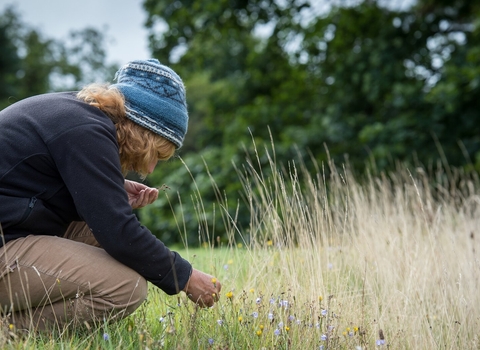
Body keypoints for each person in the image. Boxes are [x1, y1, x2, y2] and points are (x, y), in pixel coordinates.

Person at [0, 58, 221, 332]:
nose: (150, 168)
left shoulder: (79, 116)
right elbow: (118, 232)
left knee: (97, 234)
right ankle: (7, 331)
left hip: (9, 234)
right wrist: (185, 277)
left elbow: (24, 190)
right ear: (143, 130)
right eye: (156, 153)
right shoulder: (86, 130)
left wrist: (109, 192)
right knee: (126, 288)